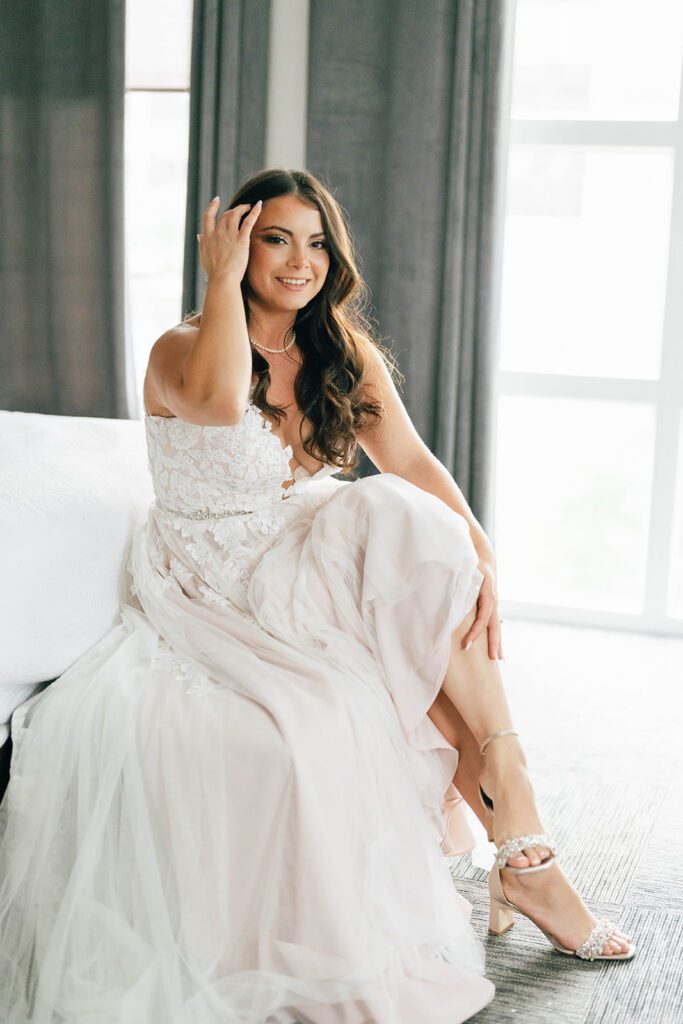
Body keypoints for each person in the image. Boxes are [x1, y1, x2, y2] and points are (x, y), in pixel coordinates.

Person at [0, 167, 634, 1024]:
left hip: (300, 550)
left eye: (315, 241)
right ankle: (527, 857)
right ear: (235, 245)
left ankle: (517, 818)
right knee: (395, 622)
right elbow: (223, 403)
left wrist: (480, 560)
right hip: (211, 580)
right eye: (274, 239)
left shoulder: (340, 351)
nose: (299, 261)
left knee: (410, 528)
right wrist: (221, 282)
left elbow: (411, 463)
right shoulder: (179, 349)